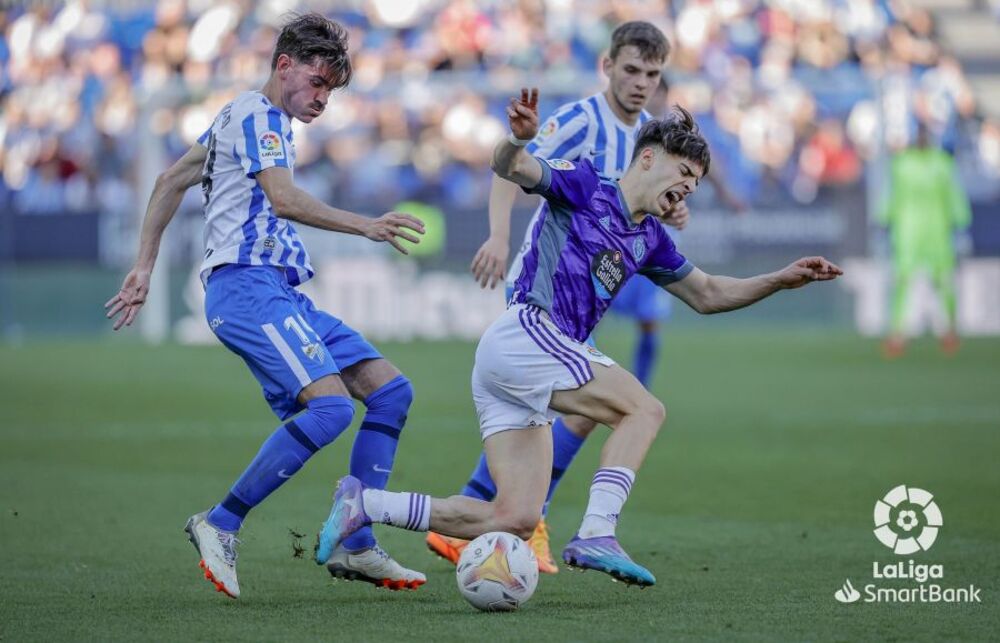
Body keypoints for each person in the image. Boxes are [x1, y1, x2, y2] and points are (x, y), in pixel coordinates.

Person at [314, 89, 843, 587]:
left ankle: (364, 505)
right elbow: (511, 167)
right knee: (644, 410)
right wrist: (518, 139)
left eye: (697, 183)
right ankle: (596, 532)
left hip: (522, 363)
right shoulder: (587, 185)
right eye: (683, 172)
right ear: (646, 159)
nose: (688, 188)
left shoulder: (651, 238)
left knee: (516, 516)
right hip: (529, 332)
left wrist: (780, 279)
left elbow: (707, 294)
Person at [105, 14, 427, 598]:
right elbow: (282, 199)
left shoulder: (237, 114)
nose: (323, 98)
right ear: (284, 66)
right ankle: (219, 522)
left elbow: (169, 180)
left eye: (331, 88)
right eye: (318, 82)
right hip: (246, 288)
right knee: (330, 412)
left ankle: (356, 544)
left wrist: (145, 265)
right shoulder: (261, 118)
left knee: (390, 392)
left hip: (279, 294)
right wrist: (366, 225)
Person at [429, 21, 689, 574]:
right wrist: (498, 235)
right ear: (607, 66)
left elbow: (643, 201)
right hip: (550, 282)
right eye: (631, 70)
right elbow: (515, 169)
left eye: (652, 73)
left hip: (603, 280)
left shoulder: (651, 135)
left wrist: (673, 206)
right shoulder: (578, 120)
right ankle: (532, 516)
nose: (641, 83)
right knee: (578, 401)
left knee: (581, 407)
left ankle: (505, 513)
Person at [879, 123, 971, 356]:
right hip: (907, 232)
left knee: (944, 282)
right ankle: (897, 333)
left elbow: (954, 194)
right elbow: (891, 194)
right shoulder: (901, 163)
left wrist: (961, 221)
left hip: (937, 231)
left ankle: (949, 330)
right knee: (902, 282)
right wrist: (884, 218)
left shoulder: (942, 163)